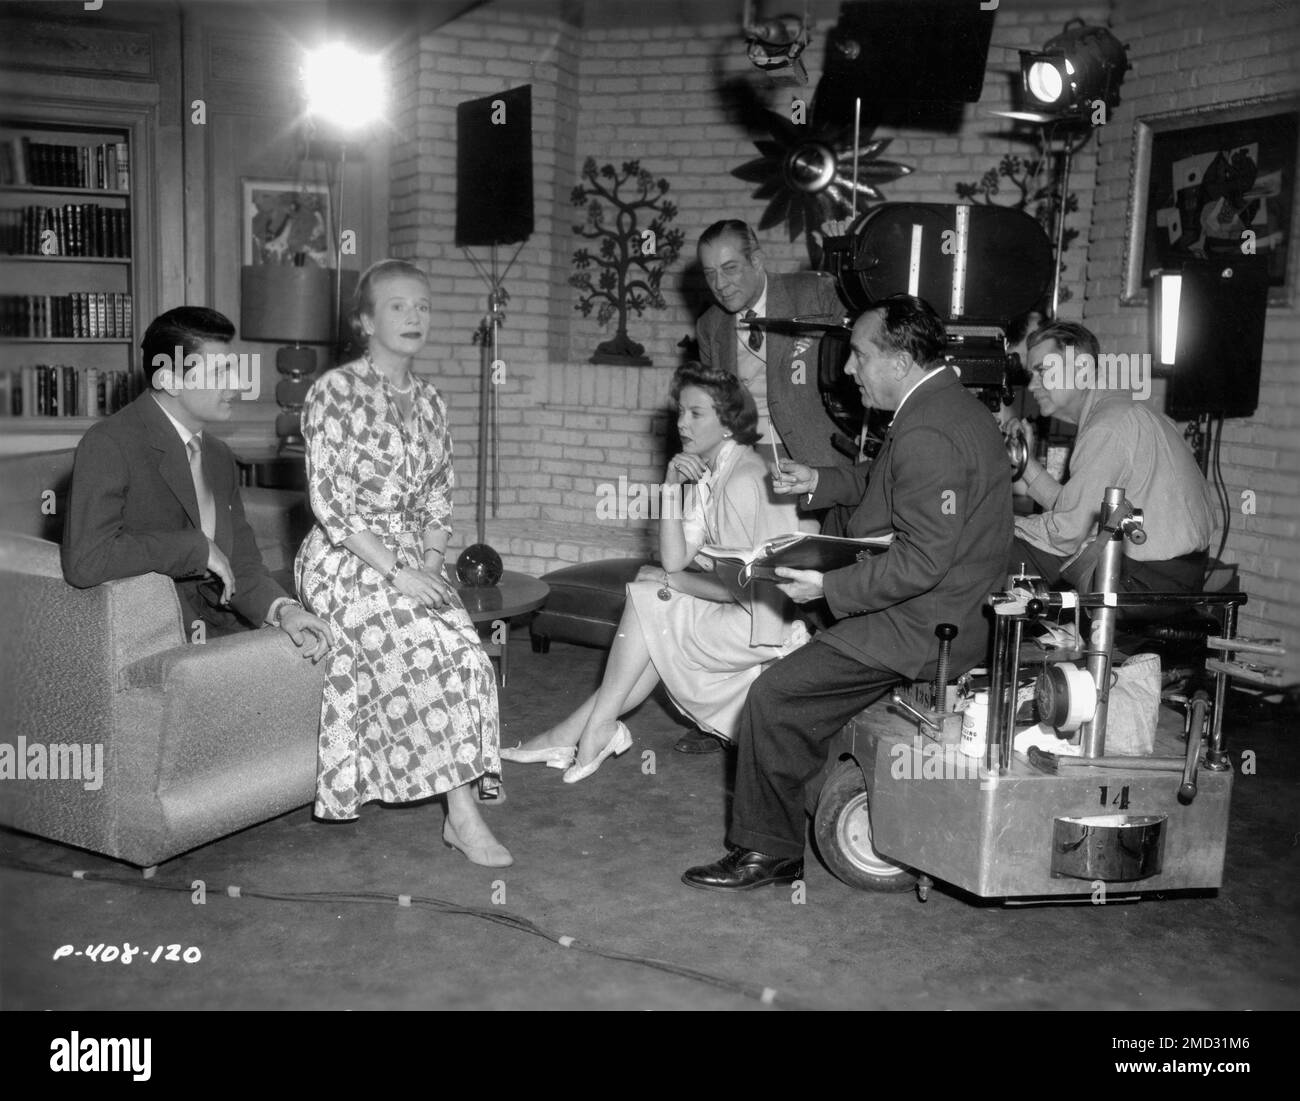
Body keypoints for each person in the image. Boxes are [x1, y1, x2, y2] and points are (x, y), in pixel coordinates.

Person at [682, 295, 1013, 891]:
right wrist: (819, 480)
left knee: (774, 696)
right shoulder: (947, 406)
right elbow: (885, 479)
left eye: (860, 356)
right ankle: (802, 797)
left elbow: (922, 561)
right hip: (948, 605)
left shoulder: (928, 430)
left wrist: (826, 587)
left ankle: (768, 852)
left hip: (926, 622)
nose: (848, 370)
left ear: (902, 360)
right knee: (797, 672)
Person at [501, 361, 815, 781]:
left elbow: (757, 587)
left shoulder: (745, 479)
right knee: (649, 615)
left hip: (764, 626)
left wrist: (672, 583)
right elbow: (674, 557)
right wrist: (670, 487)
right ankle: (583, 731)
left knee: (649, 599)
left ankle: (583, 731)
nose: (682, 423)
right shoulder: (713, 472)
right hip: (742, 615)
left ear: (728, 424)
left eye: (696, 413)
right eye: (680, 412)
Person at [296, 259, 510, 867]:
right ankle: (462, 817)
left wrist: (433, 561)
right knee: (426, 646)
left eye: (423, 306)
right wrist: (398, 572)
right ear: (365, 321)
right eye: (397, 306)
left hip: (416, 557)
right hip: (345, 558)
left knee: (467, 655)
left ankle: (458, 794)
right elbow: (330, 502)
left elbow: (441, 494)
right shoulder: (333, 393)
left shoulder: (431, 400)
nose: (414, 316)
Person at [62, 306, 333, 658]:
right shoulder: (109, 444)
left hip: (221, 627)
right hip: (154, 641)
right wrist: (195, 548)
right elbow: (86, 561)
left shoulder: (217, 454)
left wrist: (284, 610)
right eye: (221, 372)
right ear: (169, 379)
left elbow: (242, 562)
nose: (237, 385)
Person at [1006, 320, 1215, 593]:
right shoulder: (1120, 410)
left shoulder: (1106, 426)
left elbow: (1065, 534)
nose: (1032, 385)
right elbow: (1076, 509)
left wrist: (995, 523)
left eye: (1042, 371)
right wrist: (1024, 462)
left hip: (1147, 578)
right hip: (1176, 572)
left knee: (992, 552)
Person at [695, 219, 849, 469]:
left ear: (756, 261)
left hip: (818, 460)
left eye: (730, 268)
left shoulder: (813, 292)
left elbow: (871, 330)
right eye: (710, 274)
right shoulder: (709, 325)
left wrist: (848, 258)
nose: (719, 285)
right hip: (745, 463)